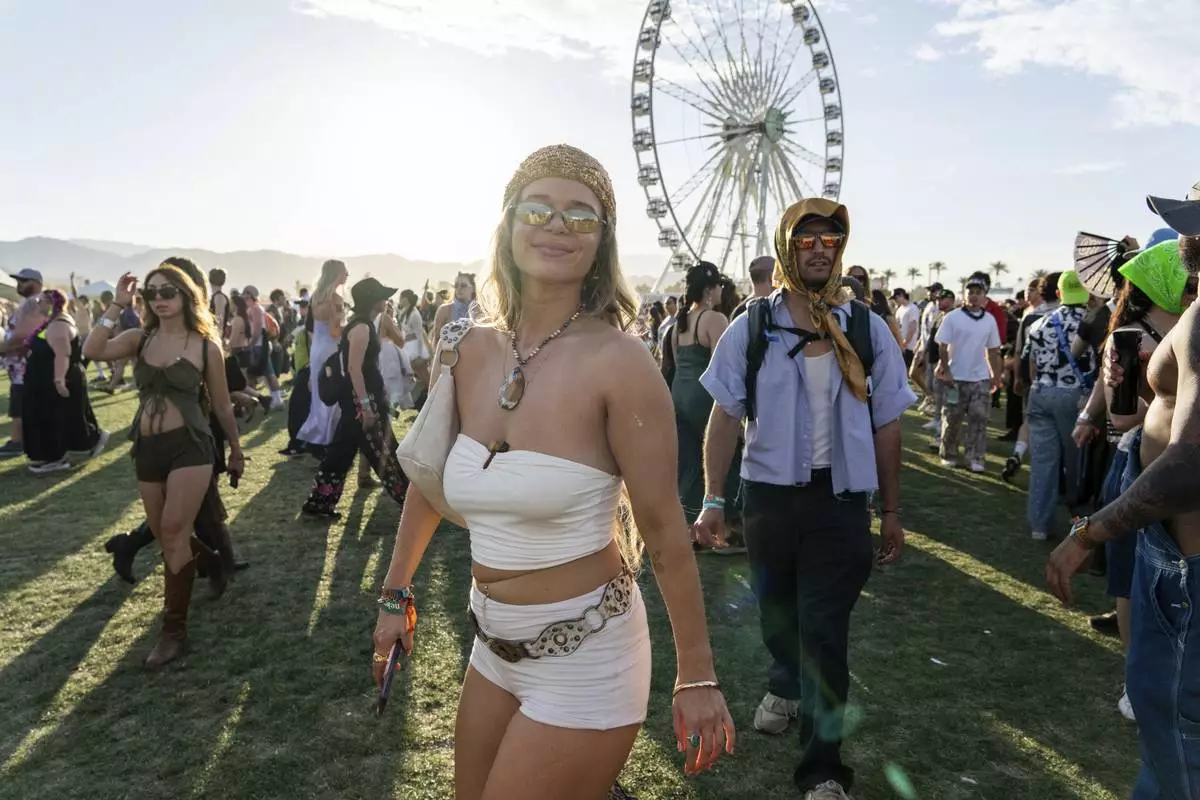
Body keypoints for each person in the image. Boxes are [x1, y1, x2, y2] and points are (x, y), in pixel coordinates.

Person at [371, 144, 734, 800]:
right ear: (508, 226)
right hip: (493, 646)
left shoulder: (620, 364)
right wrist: (395, 595)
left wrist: (698, 676)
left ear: (604, 243)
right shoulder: (464, 350)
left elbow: (664, 529)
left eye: (581, 216)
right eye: (537, 208)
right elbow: (428, 486)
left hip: (588, 659)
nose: (557, 225)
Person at [693, 198, 913, 800]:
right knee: (777, 614)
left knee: (824, 630)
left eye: (830, 240)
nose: (819, 249)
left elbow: (889, 423)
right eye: (807, 239)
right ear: (789, 248)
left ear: (842, 249)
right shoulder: (754, 326)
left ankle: (821, 768)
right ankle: (785, 681)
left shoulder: (866, 328)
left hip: (840, 503)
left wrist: (891, 512)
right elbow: (724, 414)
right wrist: (713, 498)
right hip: (768, 499)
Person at [1046, 196, 1200, 800]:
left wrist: (1090, 531)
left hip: (1187, 576)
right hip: (1179, 558)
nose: (1186, 231)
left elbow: (1191, 462)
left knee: (1178, 753)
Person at [82, 264, 243, 667]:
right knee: (162, 531)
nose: (159, 297)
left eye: (168, 290)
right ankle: (209, 561)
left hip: (190, 446)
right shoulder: (140, 339)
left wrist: (237, 450)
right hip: (147, 447)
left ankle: (173, 631)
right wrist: (117, 305)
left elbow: (222, 404)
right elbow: (92, 350)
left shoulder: (205, 346)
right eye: (152, 292)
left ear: (187, 295)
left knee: (173, 530)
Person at [301, 277, 410, 518]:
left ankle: (319, 502)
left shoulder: (363, 324)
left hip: (358, 402)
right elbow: (354, 369)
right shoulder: (361, 328)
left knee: (341, 453)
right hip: (363, 402)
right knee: (384, 450)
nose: (386, 300)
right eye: (382, 296)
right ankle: (410, 501)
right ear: (372, 300)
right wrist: (366, 406)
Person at [1022, 270, 1093, 539]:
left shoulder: (1038, 323)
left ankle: (1039, 525)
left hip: (1041, 392)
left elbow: (1030, 365)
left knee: (1042, 462)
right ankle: (1080, 526)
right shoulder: (1090, 323)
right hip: (1074, 397)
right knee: (1077, 464)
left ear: (1059, 293)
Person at [663, 262, 729, 524]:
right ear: (710, 290)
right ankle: (725, 520)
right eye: (719, 286)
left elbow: (677, 365)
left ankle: (686, 516)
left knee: (688, 459)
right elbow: (724, 367)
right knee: (723, 454)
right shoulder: (714, 319)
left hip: (679, 395)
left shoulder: (679, 323)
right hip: (704, 398)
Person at [20, 289, 106, 472]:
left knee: (52, 419)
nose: (38, 304)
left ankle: (56, 458)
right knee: (58, 418)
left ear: (51, 303)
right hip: (46, 379)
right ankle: (83, 443)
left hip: (56, 379)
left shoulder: (59, 325)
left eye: (42, 301)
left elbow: (63, 354)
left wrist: (59, 380)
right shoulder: (52, 322)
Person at [935, 276, 1003, 472]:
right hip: (955, 378)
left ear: (984, 297)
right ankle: (948, 453)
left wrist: (995, 376)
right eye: (970, 292)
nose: (973, 296)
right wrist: (946, 370)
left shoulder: (989, 320)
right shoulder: (953, 317)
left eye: (978, 293)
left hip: (979, 378)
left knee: (979, 419)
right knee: (952, 419)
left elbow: (992, 350)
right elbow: (942, 345)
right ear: (964, 295)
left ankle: (976, 457)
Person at [297, 259, 349, 452]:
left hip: (317, 349)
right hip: (331, 349)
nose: (347, 275)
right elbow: (335, 332)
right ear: (336, 274)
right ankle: (331, 437)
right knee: (333, 392)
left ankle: (317, 434)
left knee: (319, 394)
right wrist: (351, 327)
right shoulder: (336, 299)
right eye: (345, 272)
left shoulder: (316, 296)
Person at [0, 268, 46, 456]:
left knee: (19, 404)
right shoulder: (30, 303)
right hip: (20, 365)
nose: (19, 284)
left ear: (36, 283)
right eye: (18, 281)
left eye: (24, 281)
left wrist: (4, 348)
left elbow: (24, 336)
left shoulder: (34, 303)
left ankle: (18, 441)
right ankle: (21, 439)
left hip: (24, 366)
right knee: (20, 402)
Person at [431, 272, 477, 345]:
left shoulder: (480, 310)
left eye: (463, 285)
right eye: (456, 285)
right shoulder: (444, 310)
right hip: (450, 354)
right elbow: (436, 339)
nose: (459, 288)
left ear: (473, 288)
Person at [397, 289, 431, 385]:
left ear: (406, 299)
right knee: (420, 374)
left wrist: (420, 353)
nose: (399, 300)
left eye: (401, 298)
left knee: (424, 375)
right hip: (408, 348)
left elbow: (419, 335)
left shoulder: (414, 314)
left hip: (416, 348)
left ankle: (433, 392)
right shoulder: (404, 312)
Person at [892, 287, 919, 369]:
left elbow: (912, 327)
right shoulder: (899, 309)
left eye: (895, 298)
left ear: (901, 295)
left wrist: (905, 343)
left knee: (906, 371)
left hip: (908, 346)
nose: (894, 300)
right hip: (900, 345)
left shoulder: (912, 308)